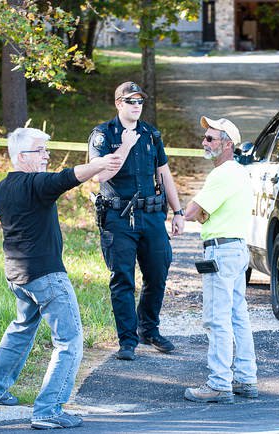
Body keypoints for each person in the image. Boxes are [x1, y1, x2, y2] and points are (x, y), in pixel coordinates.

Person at [0, 128, 121, 430]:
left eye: (47, 150)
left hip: (19, 275)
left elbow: (62, 177)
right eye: (40, 151)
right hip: (45, 276)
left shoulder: (4, 186)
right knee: (69, 341)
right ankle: (48, 410)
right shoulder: (34, 185)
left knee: (20, 330)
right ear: (22, 157)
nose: (46, 155)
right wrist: (101, 163)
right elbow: (68, 177)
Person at [88, 81, 185, 361]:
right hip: (118, 217)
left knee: (158, 273)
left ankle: (148, 329)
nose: (136, 106)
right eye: (131, 101)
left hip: (152, 215)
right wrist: (126, 146)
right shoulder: (103, 134)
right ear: (119, 103)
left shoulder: (151, 134)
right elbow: (100, 176)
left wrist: (178, 212)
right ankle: (127, 340)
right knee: (123, 279)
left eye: (140, 102)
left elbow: (165, 174)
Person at [183, 116, 258, 404]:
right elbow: (203, 212)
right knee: (238, 316)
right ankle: (245, 378)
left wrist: (187, 213)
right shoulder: (238, 173)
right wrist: (202, 212)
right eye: (205, 137)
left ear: (228, 145)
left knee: (217, 319)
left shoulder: (222, 174)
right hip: (236, 249)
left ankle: (218, 384)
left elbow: (193, 211)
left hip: (221, 251)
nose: (204, 142)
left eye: (210, 138)